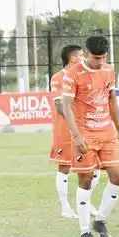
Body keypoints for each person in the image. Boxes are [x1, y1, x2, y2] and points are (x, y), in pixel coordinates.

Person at [61, 36, 119, 237]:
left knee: (118, 176)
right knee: (86, 179)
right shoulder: (73, 74)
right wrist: (76, 136)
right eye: (96, 58)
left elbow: (111, 100)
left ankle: (100, 219)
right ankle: (84, 231)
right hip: (85, 133)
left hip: (107, 132)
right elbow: (67, 106)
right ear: (86, 54)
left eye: (103, 57)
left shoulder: (108, 70)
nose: (100, 62)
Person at [50, 46, 100, 219]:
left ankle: (86, 202)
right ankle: (65, 208)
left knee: (95, 165)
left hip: (87, 129)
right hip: (66, 129)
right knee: (64, 166)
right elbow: (59, 104)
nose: (84, 57)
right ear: (72, 59)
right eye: (80, 55)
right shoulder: (58, 78)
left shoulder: (85, 75)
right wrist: (74, 126)